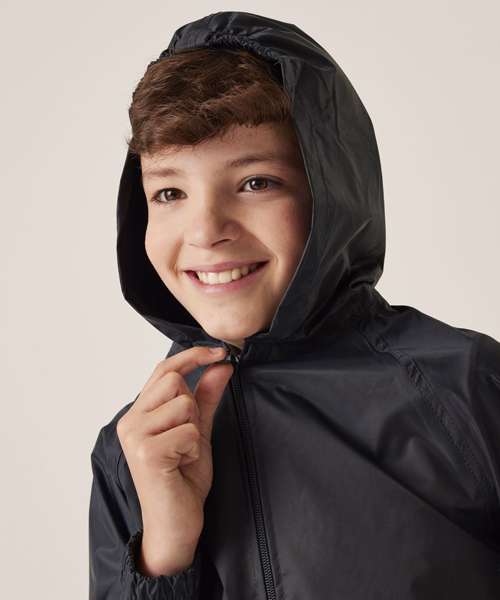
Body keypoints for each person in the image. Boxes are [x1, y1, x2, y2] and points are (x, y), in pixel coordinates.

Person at [88, 10, 500, 600]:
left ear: (331, 192)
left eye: (255, 182)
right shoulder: (135, 449)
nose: (205, 230)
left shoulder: (468, 389)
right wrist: (165, 553)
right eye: (170, 192)